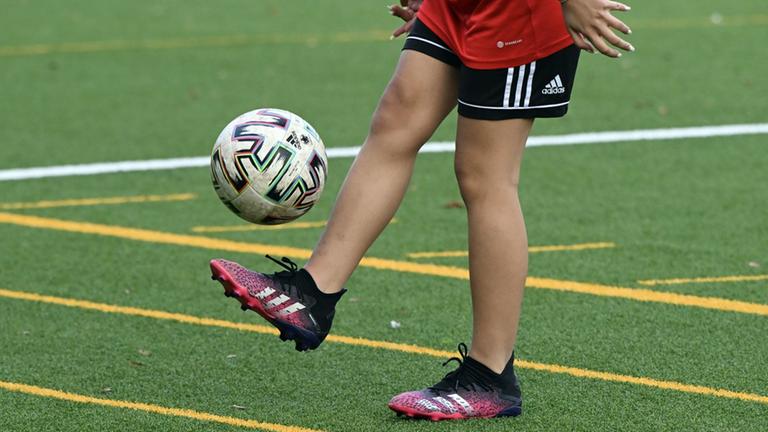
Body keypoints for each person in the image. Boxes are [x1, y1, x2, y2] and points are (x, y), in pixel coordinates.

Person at [210, 0, 633, 421]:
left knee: (484, 176)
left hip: (521, 12)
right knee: (396, 121)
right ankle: (312, 293)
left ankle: (491, 374)